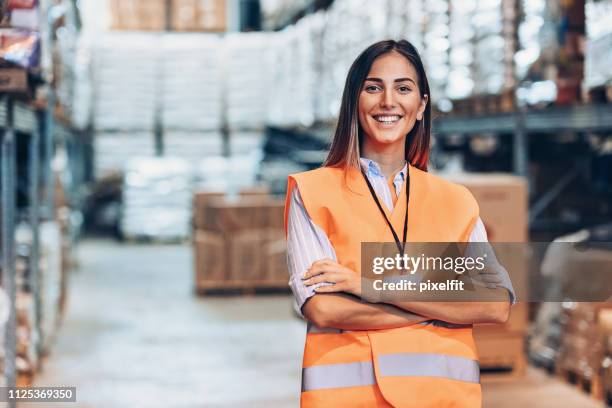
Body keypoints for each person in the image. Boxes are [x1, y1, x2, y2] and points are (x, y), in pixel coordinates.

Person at [283, 39, 516, 407]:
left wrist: (364, 286)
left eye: (403, 88)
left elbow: (494, 305)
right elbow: (324, 309)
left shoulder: (456, 201)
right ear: (354, 102)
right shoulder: (313, 193)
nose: (388, 101)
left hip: (445, 398)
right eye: (373, 87)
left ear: (421, 105)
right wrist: (438, 306)